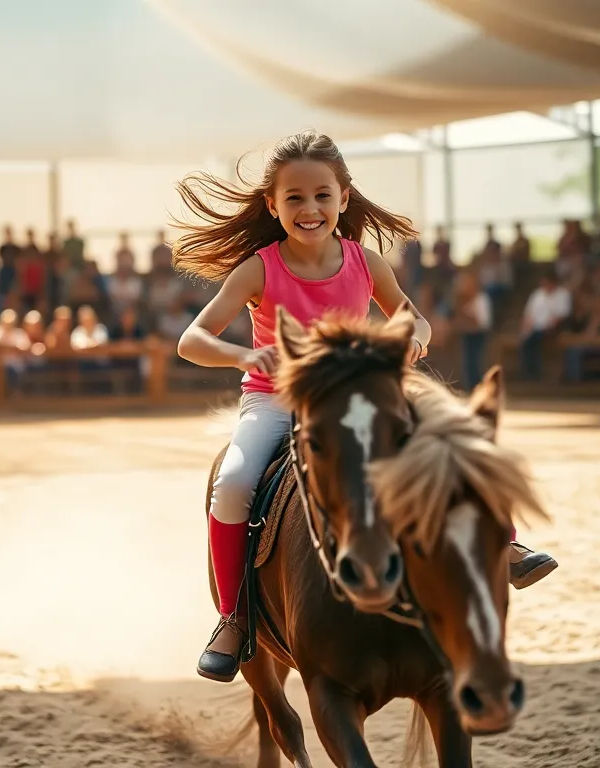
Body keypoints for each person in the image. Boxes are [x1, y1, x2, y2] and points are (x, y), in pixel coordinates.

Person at [172, 131, 557, 684]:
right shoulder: (258, 268)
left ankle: (507, 542)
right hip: (276, 402)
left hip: (358, 396)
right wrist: (244, 353)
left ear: (344, 199)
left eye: (322, 196)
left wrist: (415, 332)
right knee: (232, 484)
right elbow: (192, 339)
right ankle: (233, 619)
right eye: (296, 198)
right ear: (272, 205)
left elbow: (410, 314)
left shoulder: (366, 262)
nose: (310, 209)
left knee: (449, 437)